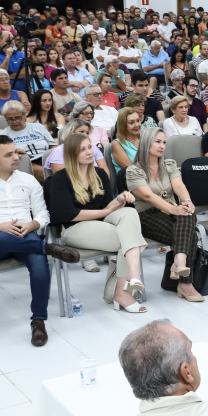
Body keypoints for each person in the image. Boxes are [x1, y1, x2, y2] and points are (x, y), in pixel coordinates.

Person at [0, 135, 80, 345]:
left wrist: (32, 225)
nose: (16, 157)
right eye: (8, 155)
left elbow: (43, 214)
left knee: (38, 264)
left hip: (24, 235)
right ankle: (47, 247)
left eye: (16, 152)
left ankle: (38, 321)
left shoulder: (28, 180)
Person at [50, 133, 147, 313]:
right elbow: (65, 214)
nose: (89, 152)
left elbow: (106, 206)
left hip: (101, 223)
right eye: (83, 150)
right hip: (74, 228)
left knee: (129, 212)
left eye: (90, 147)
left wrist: (119, 198)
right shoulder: (60, 178)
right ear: (71, 154)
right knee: (129, 239)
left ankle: (132, 276)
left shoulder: (99, 173)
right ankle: (123, 290)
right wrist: (105, 212)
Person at [126, 129, 204, 302]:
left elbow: (179, 185)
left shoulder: (169, 164)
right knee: (189, 234)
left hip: (171, 211)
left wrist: (187, 201)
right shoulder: (133, 170)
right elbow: (148, 196)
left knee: (187, 211)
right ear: (146, 143)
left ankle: (180, 261)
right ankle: (185, 283)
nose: (162, 146)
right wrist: (173, 209)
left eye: (164, 142)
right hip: (146, 215)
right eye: (157, 142)